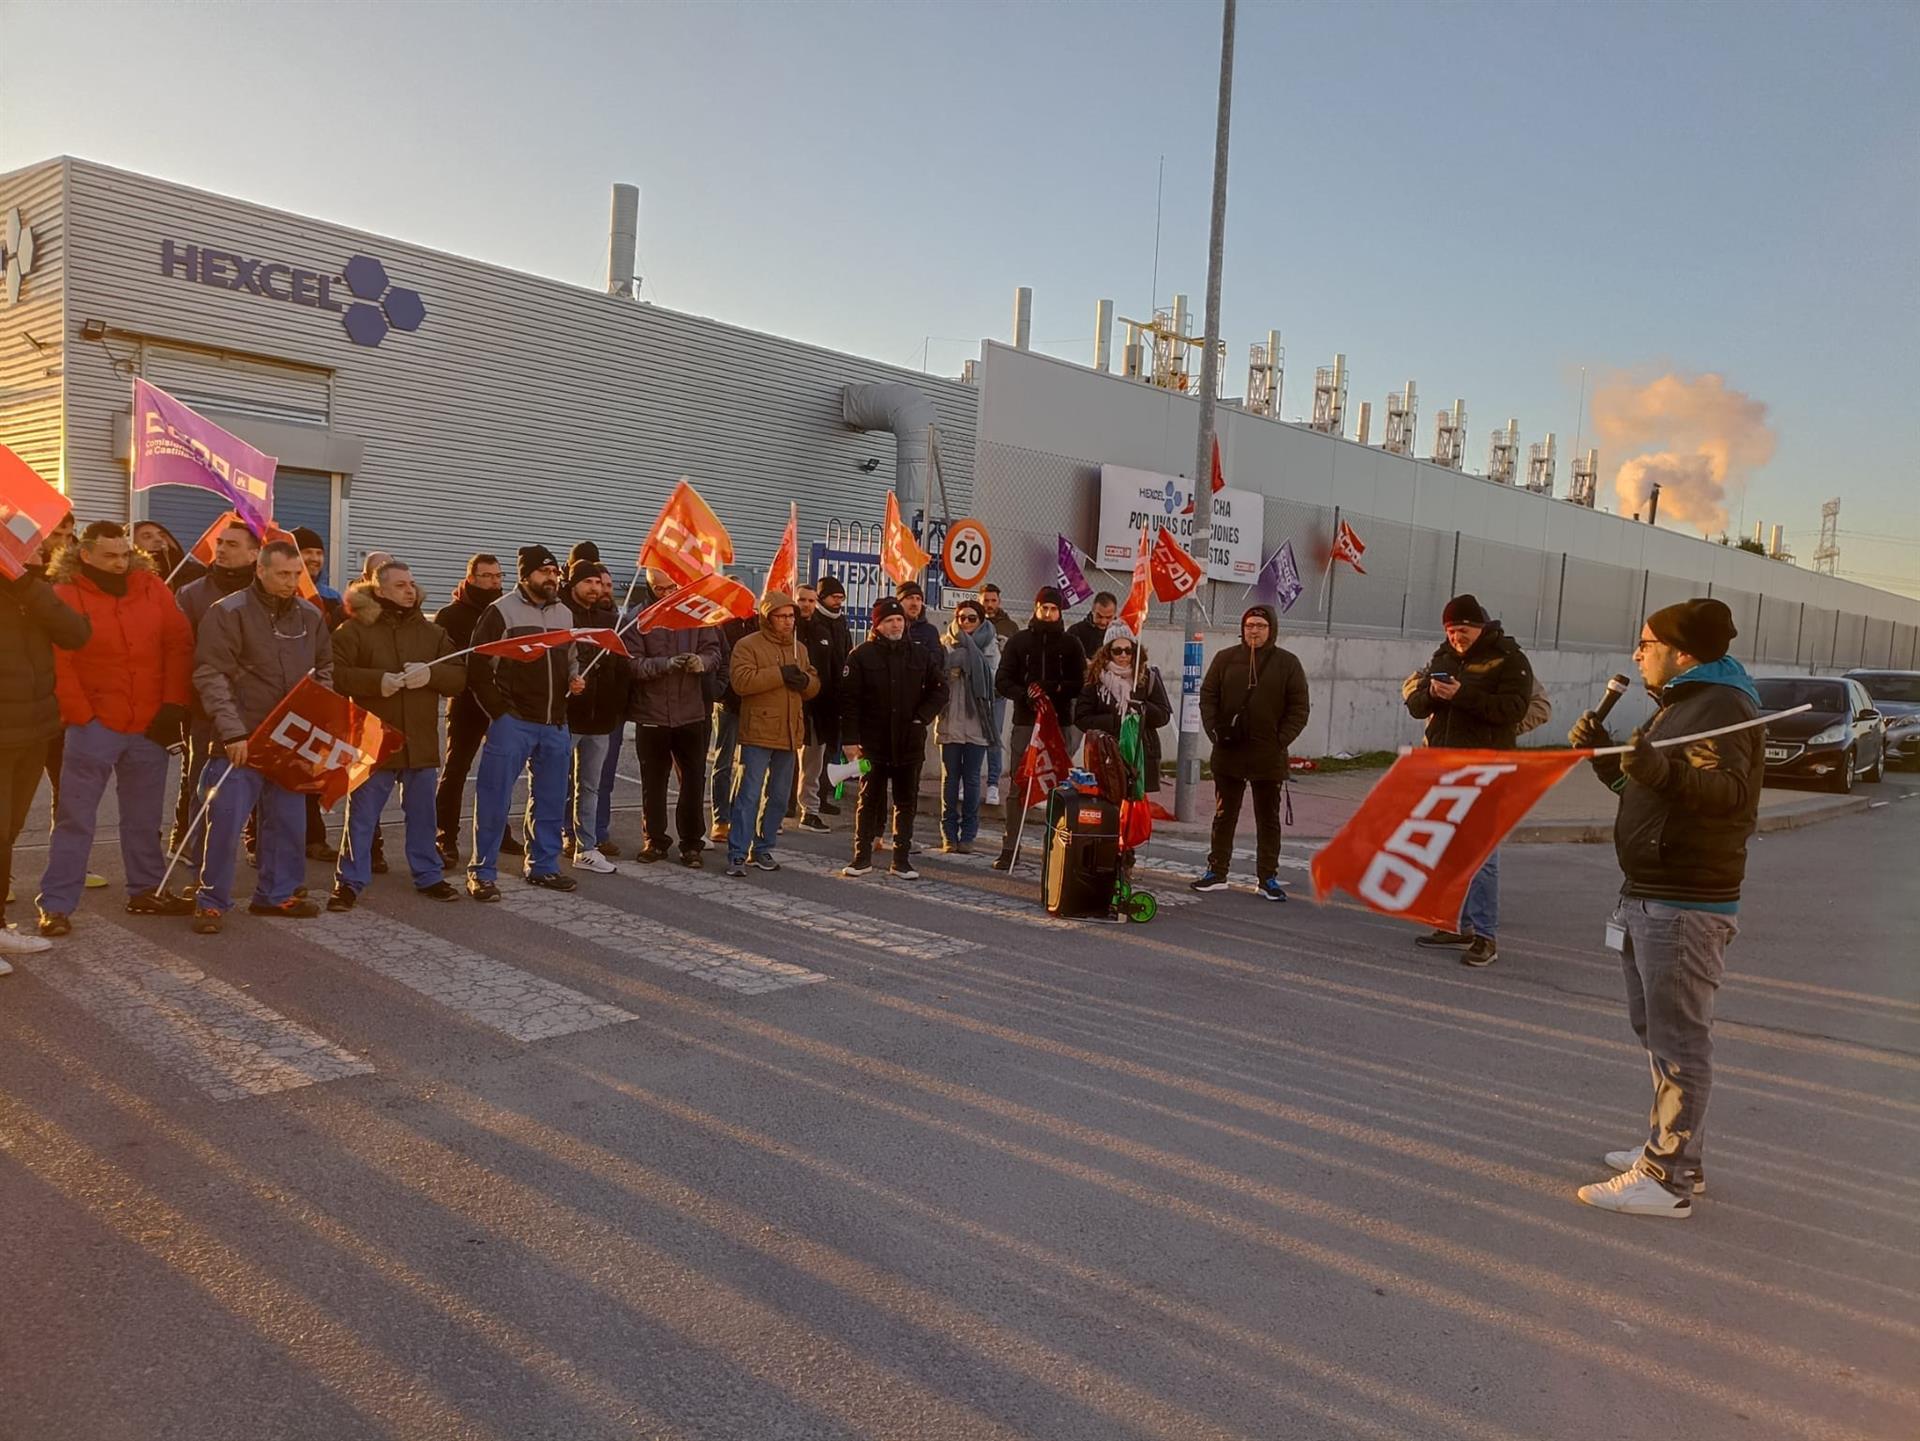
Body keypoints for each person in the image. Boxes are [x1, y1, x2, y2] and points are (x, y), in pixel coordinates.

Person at [1566, 599, 1761, 1218]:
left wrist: (1655, 767)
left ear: (1683, 653)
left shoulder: (1723, 707)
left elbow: (1729, 796)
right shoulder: (1682, 705)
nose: (1636, 653)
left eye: (1646, 643)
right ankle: (1677, 1154)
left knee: (1680, 1041)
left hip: (1686, 899)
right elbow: (1650, 789)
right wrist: (1608, 764)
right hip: (1652, 889)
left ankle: (1667, 1178)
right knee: (1658, 1031)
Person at [35, 522, 196, 936]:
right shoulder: (64, 594)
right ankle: (56, 904)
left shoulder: (152, 588)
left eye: (124, 554)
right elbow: (60, 660)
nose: (120, 562)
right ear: (85, 554)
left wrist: (173, 704)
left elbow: (178, 644)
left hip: (148, 724)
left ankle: (146, 889)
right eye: (110, 555)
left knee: (143, 817)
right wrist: (81, 715)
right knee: (75, 818)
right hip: (93, 725)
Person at [188, 539, 331, 934]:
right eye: (283, 574)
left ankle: (276, 894)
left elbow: (325, 668)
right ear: (261, 571)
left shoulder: (310, 614)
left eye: (296, 574)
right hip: (241, 737)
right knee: (225, 820)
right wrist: (232, 731)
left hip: (289, 739)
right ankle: (211, 900)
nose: (291, 582)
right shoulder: (228, 612)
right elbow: (210, 674)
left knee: (287, 822)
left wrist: (318, 719)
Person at [325, 560, 466, 911]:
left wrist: (430, 676)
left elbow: (459, 676)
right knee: (361, 816)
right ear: (379, 589)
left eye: (412, 583)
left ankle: (428, 875)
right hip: (374, 739)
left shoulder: (431, 633)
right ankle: (349, 881)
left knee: (423, 815)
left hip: (418, 739)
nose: (410, 590)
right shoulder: (354, 630)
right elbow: (334, 673)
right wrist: (376, 682)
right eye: (401, 584)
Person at [1401, 594, 1534, 964]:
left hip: (1487, 770)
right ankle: (1454, 925)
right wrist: (1430, 692)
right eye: (1450, 630)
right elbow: (1416, 708)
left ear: (1480, 627)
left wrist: (1462, 695)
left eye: (1462, 630)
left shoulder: (1509, 659)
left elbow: (1514, 709)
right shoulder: (1442, 656)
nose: (1456, 637)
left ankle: (1486, 936)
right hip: (1443, 768)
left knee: (1482, 856)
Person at [465, 545, 584, 900]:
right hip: (513, 721)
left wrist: (576, 679)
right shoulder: (500, 612)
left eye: (555, 573)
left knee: (550, 799)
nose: (552, 578)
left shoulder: (565, 613)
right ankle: (482, 872)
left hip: (555, 722)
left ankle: (543, 866)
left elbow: (572, 658)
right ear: (525, 575)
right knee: (494, 798)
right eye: (544, 573)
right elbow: (478, 667)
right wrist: (499, 713)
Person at [0, 536, 90, 964]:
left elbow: (76, 633)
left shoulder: (32, 591)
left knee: (8, 833)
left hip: (34, 732)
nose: (42, 551)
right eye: (29, 544)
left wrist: (24, 584)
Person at [1193, 605, 1312, 902]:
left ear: (1271, 629)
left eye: (1260, 625)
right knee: (1224, 815)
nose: (1254, 631)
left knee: (1267, 819)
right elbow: (1208, 696)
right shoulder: (1225, 659)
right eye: (1249, 625)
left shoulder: (1288, 663)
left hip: (1268, 755)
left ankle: (1267, 877)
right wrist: (1214, 731)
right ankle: (1216, 872)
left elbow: (1299, 708)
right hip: (1229, 751)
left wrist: (1280, 740)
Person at [169, 517, 261, 877]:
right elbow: (182, 654)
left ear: (255, 554)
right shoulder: (192, 594)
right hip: (208, 710)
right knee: (203, 790)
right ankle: (200, 870)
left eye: (232, 544)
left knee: (264, 794)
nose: (221, 549)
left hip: (260, 709)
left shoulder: (268, 593)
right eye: (220, 542)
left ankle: (268, 867)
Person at [840, 596, 946, 878]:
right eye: (889, 620)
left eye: (899, 619)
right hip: (871, 745)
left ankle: (901, 860)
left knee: (906, 801)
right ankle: (861, 857)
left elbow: (940, 690)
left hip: (908, 743)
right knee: (868, 799)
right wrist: (850, 740)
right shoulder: (860, 656)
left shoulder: (920, 655)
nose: (896, 624)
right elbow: (849, 702)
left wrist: (921, 717)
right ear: (878, 625)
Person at [431, 553, 522, 864]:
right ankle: (445, 836)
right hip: (467, 704)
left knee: (502, 773)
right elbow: (448, 661)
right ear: (471, 579)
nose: (495, 582)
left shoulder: (508, 610)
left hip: (504, 703)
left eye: (498, 576)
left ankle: (500, 832)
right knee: (456, 770)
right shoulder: (450, 615)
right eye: (487, 576)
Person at [990, 587, 1086, 870]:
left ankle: (1054, 847)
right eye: (1043, 608)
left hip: (1059, 725)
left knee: (1058, 788)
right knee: (1019, 786)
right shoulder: (1019, 642)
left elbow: (1080, 684)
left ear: (1060, 612)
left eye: (1053, 609)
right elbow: (1003, 680)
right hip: (1026, 723)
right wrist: (1025, 693)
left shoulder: (1072, 644)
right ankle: (1011, 847)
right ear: (1036, 609)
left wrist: (1055, 688)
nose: (1048, 613)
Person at [723, 591, 817, 876]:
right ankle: (737, 852)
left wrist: (806, 682)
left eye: (791, 616)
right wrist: (779, 673)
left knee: (777, 797)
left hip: (789, 732)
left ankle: (763, 848)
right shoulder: (747, 645)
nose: (788, 621)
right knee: (748, 795)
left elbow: (813, 682)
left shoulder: (799, 648)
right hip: (758, 731)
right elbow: (741, 681)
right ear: (768, 617)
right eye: (782, 616)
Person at [630, 570, 720, 867]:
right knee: (653, 783)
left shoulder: (696, 613)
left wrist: (701, 662)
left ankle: (691, 843)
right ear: (650, 587)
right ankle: (654, 840)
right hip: (652, 713)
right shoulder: (638, 617)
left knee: (693, 781)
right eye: (660, 588)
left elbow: (714, 651)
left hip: (691, 713)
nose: (667, 593)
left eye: (672, 587)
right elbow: (631, 664)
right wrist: (665, 664)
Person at [560, 557, 630, 873]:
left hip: (601, 718)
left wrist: (614, 704)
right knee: (555, 784)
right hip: (565, 716)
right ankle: (546, 846)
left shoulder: (609, 620)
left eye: (599, 583)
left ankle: (586, 846)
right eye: (588, 581)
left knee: (590, 785)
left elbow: (619, 666)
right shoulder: (560, 615)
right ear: (573, 583)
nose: (595, 588)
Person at [1074, 625, 1173, 797]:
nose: (1123, 656)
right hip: (1107, 752)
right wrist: (1114, 720)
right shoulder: (1096, 678)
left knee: (1136, 805)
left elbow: (1164, 715)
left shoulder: (1147, 677)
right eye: (1117, 650)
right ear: (1107, 652)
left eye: (1128, 650)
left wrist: (1142, 708)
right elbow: (1081, 718)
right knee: (1109, 804)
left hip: (1140, 752)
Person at [933, 598, 999, 853]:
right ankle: (948, 833)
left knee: (972, 780)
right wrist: (952, 672)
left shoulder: (991, 646)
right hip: (950, 720)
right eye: (962, 618)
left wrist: (967, 667)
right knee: (950, 780)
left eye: (972, 618)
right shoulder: (945, 644)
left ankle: (969, 834)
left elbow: (993, 682)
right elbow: (937, 675)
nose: (966, 622)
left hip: (977, 723)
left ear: (981, 620)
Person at [796, 581, 852, 832]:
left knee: (814, 760)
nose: (806, 605)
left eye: (809, 600)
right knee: (783, 762)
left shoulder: (832, 626)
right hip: (792, 706)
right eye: (802, 600)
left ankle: (810, 810)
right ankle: (775, 811)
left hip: (822, 707)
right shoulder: (792, 629)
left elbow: (841, 662)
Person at [707, 612, 758, 842]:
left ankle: (741, 815)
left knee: (748, 764)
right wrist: (721, 690)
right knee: (724, 762)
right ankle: (721, 818)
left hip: (752, 703)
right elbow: (717, 660)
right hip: (728, 703)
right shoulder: (720, 625)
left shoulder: (758, 624)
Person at [978, 583, 1019, 806]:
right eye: (986, 601)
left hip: (997, 692)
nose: (990, 605)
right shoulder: (972, 621)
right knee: (973, 739)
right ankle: (970, 780)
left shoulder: (1010, 626)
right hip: (973, 692)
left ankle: (993, 784)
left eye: (993, 601)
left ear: (999, 602)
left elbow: (1018, 658)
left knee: (994, 738)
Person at [291, 526, 345, 627]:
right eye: (308, 552)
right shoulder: (280, 591)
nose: (315, 558)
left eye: (319, 553)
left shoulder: (333, 597)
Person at [132, 519, 195, 589]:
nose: (158, 539)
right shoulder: (127, 576)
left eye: (162, 535)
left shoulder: (193, 573)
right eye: (147, 537)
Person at [896, 581, 944, 666]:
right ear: (899, 602)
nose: (914, 603)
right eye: (910, 598)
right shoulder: (891, 628)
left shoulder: (930, 631)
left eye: (918, 599)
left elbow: (936, 661)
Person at [1067, 591, 1119, 662]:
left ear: (1115, 614)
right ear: (1092, 611)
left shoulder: (1119, 634)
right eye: (1099, 616)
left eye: (1108, 617)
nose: (1103, 622)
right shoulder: (1076, 631)